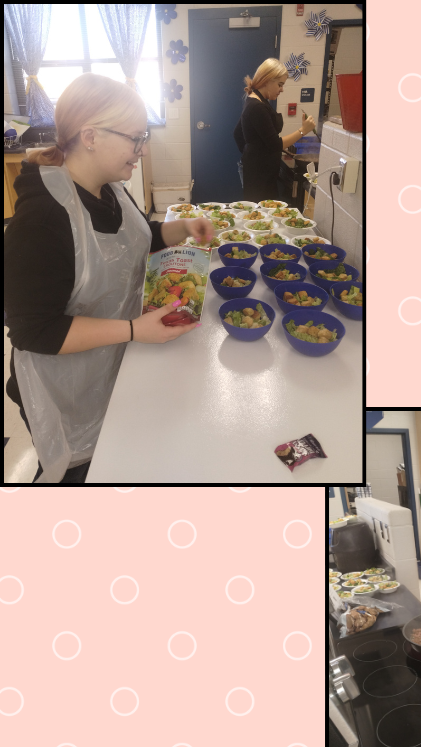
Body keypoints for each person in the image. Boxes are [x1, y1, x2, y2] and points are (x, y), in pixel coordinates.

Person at [4, 73, 211, 483]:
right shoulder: (43, 218)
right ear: (91, 135)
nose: (143, 148)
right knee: (76, 477)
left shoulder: (109, 187)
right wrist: (134, 330)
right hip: (63, 386)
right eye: (135, 138)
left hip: (109, 360)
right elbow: (33, 331)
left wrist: (185, 227)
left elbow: (136, 239)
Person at [234, 58, 318, 202]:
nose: (282, 89)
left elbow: (237, 134)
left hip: (258, 169)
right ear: (267, 80)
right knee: (261, 214)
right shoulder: (257, 106)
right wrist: (303, 130)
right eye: (280, 84)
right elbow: (275, 144)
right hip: (259, 173)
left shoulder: (255, 101)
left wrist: (253, 152)